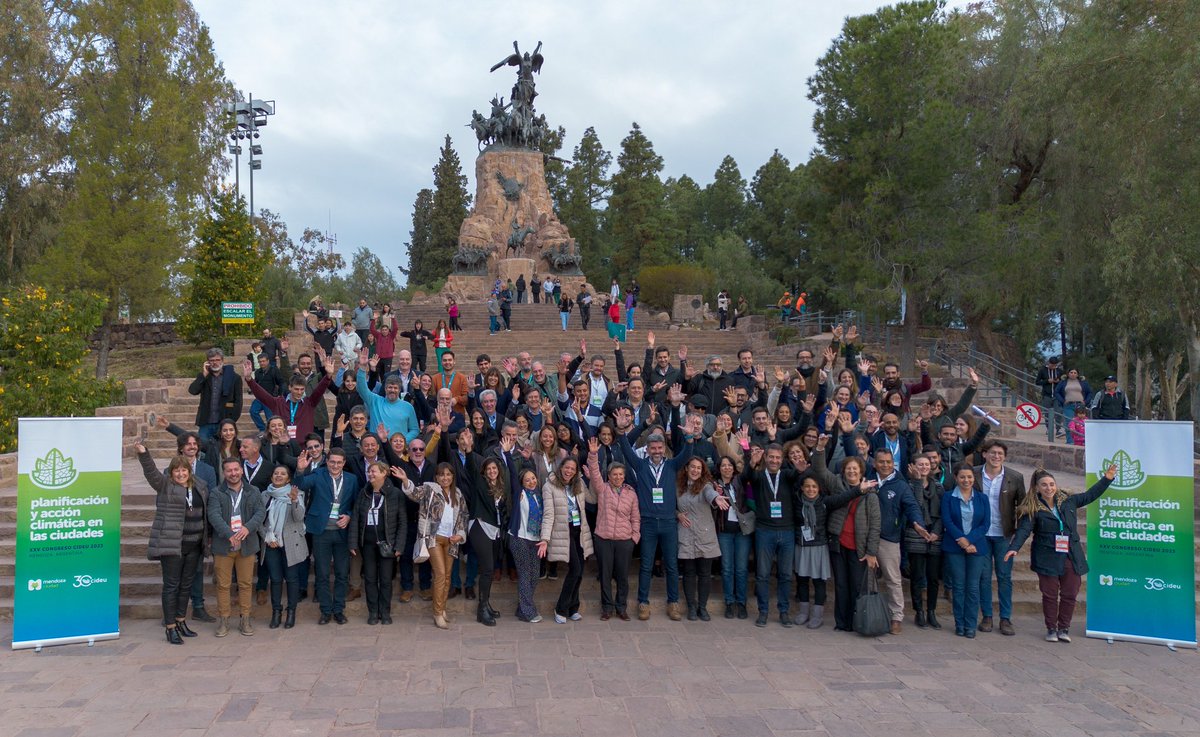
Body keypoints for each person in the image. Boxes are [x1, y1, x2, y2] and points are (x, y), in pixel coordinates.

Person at [1005, 464, 1117, 642]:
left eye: (1051, 484)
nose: (1048, 488)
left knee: (1070, 593)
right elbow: (1024, 530)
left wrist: (1107, 478)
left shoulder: (1068, 501)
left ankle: (1064, 628)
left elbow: (1090, 495)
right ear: (1037, 488)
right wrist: (1014, 547)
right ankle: (1051, 628)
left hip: (1070, 555)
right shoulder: (1032, 509)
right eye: (1044, 485)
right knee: (1049, 594)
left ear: (1056, 485)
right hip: (1046, 556)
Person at [136, 442, 209, 644]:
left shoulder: (200, 486)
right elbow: (151, 473)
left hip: (194, 545)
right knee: (171, 586)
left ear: (189, 471)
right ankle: (170, 627)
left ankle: (180, 620)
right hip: (172, 545)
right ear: (171, 472)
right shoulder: (165, 486)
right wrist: (144, 454)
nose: (180, 474)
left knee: (186, 585)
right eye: (176, 471)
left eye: (183, 470)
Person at [811, 434, 880, 632]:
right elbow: (820, 470)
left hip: (859, 547)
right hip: (838, 543)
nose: (851, 471)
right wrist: (820, 449)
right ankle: (842, 623)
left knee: (857, 585)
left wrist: (872, 551)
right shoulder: (837, 485)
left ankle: (856, 621)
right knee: (841, 584)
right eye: (848, 468)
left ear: (861, 471)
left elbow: (875, 525)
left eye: (855, 469)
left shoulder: (871, 494)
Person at [397, 463, 469, 629]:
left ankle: (442, 608)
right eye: (441, 475)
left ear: (452, 476)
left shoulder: (457, 494)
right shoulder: (430, 489)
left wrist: (461, 534)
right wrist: (406, 480)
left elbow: (464, 516)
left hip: (451, 540)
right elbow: (413, 493)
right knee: (440, 574)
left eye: (448, 474)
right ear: (436, 477)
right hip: (434, 538)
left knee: (448, 576)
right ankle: (437, 613)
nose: (445, 478)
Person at [294, 447, 359, 625]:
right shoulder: (318, 474)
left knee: (341, 573)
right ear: (327, 461)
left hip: (342, 532)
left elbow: (357, 504)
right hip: (320, 532)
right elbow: (300, 484)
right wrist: (300, 469)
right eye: (332, 462)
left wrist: (349, 515)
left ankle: (338, 609)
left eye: (339, 462)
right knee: (322, 573)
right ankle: (325, 610)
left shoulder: (352, 479)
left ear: (344, 463)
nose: (335, 465)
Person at [207, 457, 266, 637]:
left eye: (236, 470)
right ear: (224, 473)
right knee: (223, 585)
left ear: (241, 470)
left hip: (246, 545)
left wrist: (248, 528)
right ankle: (224, 620)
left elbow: (260, 512)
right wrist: (229, 534)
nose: (233, 473)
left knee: (246, 583)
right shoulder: (217, 492)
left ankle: (245, 619)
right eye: (229, 470)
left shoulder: (253, 491)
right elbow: (213, 515)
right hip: (224, 545)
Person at [974, 440, 1026, 637]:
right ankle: (987, 615)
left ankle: (1005, 617)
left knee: (1004, 577)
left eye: (1000, 454)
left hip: (1003, 534)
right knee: (984, 576)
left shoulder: (1014, 477)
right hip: (981, 534)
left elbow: (1022, 508)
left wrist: (1018, 535)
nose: (996, 457)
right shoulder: (975, 473)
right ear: (985, 454)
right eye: (993, 453)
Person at [585, 437, 639, 620]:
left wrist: (634, 537)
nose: (617, 477)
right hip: (604, 538)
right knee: (605, 575)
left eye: (620, 474)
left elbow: (635, 517)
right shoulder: (603, 489)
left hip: (625, 540)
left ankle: (621, 607)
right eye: (614, 474)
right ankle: (607, 607)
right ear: (609, 476)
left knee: (623, 576)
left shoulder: (631, 493)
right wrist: (593, 455)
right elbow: (594, 472)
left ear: (624, 476)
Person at [349, 461, 407, 625]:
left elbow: (402, 521)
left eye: (374, 471)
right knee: (370, 579)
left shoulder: (395, 493)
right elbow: (355, 518)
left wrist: (399, 546)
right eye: (369, 472)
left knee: (386, 580)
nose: (370, 474)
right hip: (367, 544)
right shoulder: (363, 493)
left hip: (387, 544)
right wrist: (353, 542)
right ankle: (373, 612)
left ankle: (385, 612)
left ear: (384, 473)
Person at [539, 458, 593, 623]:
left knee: (580, 570)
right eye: (566, 467)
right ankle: (561, 608)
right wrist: (545, 539)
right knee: (575, 570)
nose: (569, 471)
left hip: (579, 530)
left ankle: (573, 607)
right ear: (560, 467)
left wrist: (592, 479)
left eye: (572, 469)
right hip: (563, 531)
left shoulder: (579, 484)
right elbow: (548, 514)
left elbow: (594, 499)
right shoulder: (549, 486)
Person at [675, 457, 728, 621]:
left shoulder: (706, 486)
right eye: (692, 467)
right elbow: (670, 506)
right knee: (689, 573)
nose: (695, 470)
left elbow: (709, 493)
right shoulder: (678, 487)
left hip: (705, 535)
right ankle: (691, 606)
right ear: (686, 468)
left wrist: (716, 498)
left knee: (705, 574)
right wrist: (677, 514)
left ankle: (702, 607)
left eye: (699, 468)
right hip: (686, 534)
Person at [941, 464, 990, 638]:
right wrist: (961, 540)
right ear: (956, 478)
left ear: (973, 478)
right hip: (954, 546)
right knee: (959, 587)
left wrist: (969, 540)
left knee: (973, 587)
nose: (966, 480)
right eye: (962, 477)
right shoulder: (948, 497)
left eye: (969, 477)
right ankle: (959, 624)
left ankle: (970, 624)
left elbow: (985, 524)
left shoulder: (982, 498)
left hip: (976, 547)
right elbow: (947, 520)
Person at [259, 464, 307, 629]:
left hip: (291, 542)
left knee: (292, 579)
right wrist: (267, 536)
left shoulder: (297, 494)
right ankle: (276, 612)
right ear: (272, 477)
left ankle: (291, 612)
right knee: (276, 579)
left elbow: (299, 517)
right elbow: (258, 519)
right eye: (276, 473)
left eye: (283, 474)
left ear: (288, 478)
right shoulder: (265, 495)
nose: (279, 476)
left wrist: (294, 501)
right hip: (271, 542)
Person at [905, 455, 943, 629]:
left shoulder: (939, 487)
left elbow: (944, 512)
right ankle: (919, 610)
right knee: (917, 575)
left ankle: (931, 611)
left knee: (933, 577)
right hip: (916, 533)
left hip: (935, 535)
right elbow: (916, 505)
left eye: (927, 464)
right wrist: (918, 482)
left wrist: (936, 531)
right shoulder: (909, 485)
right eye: (920, 464)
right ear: (914, 466)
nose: (924, 467)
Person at [189, 348, 243, 442]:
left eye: (217, 360)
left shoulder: (234, 378)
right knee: (203, 451)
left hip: (224, 421)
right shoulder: (204, 376)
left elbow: (238, 401)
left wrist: (231, 421)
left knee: (223, 451)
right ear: (208, 362)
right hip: (206, 422)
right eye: (212, 360)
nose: (215, 363)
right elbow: (193, 391)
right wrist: (203, 376)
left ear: (222, 360)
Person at [1054, 368, 1092, 443]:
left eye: (1075, 373)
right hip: (1068, 405)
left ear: (1077, 374)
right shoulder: (1063, 382)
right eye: (1071, 372)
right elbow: (1057, 392)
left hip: (1080, 405)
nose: (1073, 374)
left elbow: (1089, 392)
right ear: (1068, 373)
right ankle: (1070, 441)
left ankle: (1082, 440)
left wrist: (1086, 401)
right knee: (1069, 423)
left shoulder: (1083, 382)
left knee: (1081, 423)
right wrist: (1062, 401)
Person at [1035, 356, 1064, 442]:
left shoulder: (1059, 371)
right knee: (1047, 412)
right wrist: (1047, 381)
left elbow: (1064, 381)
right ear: (1049, 363)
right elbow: (1037, 382)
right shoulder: (1043, 370)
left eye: (1055, 365)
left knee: (1058, 411)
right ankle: (1048, 428)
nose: (1053, 366)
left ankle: (1058, 429)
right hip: (1046, 395)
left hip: (1057, 395)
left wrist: (1058, 381)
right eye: (1052, 364)